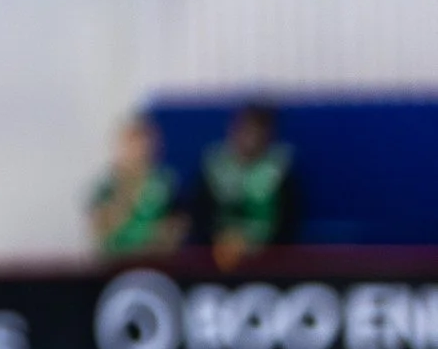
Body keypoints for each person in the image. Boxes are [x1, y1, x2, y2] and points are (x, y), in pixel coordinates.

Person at [197, 103, 297, 269]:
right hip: (216, 258)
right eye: (244, 129)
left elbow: (289, 221)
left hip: (268, 260)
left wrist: (255, 245)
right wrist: (220, 241)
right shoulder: (213, 166)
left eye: (257, 130)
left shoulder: (280, 169)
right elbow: (200, 216)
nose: (250, 137)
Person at [88, 116, 185, 258]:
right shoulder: (106, 186)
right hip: (113, 263)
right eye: (133, 144)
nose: (139, 151)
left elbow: (176, 228)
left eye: (144, 144)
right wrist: (125, 192)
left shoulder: (167, 182)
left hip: (156, 262)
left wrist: (153, 241)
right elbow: (100, 230)